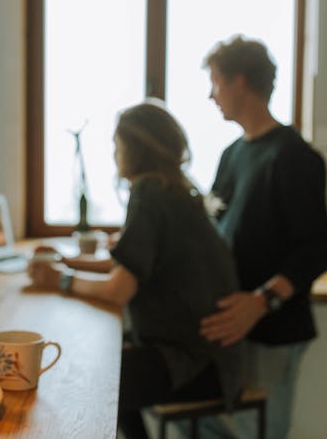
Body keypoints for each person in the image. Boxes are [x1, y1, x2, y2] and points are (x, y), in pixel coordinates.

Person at [28, 100, 245, 439]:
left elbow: (118, 290)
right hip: (212, 359)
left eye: (117, 145)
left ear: (134, 148)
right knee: (104, 370)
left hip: (194, 364)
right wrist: (67, 260)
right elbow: (129, 263)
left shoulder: (149, 193)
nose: (115, 155)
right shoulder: (175, 191)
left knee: (89, 382)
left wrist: (61, 278)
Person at [198, 35, 327, 439]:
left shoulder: (293, 156)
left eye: (216, 83)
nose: (211, 95)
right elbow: (214, 232)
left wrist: (261, 302)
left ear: (240, 82)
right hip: (229, 331)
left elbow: (318, 250)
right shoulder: (232, 155)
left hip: (273, 331)